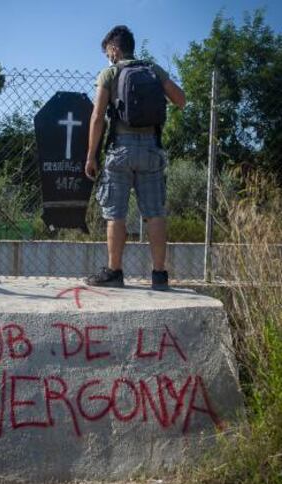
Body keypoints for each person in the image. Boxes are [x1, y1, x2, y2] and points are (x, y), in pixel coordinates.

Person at [85, 25, 185, 289]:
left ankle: (115, 272)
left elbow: (97, 118)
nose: (108, 56)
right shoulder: (152, 69)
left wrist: (90, 156)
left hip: (121, 149)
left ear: (115, 49)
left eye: (108, 51)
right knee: (155, 213)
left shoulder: (110, 72)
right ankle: (160, 276)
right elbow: (181, 99)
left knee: (115, 213)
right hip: (152, 148)